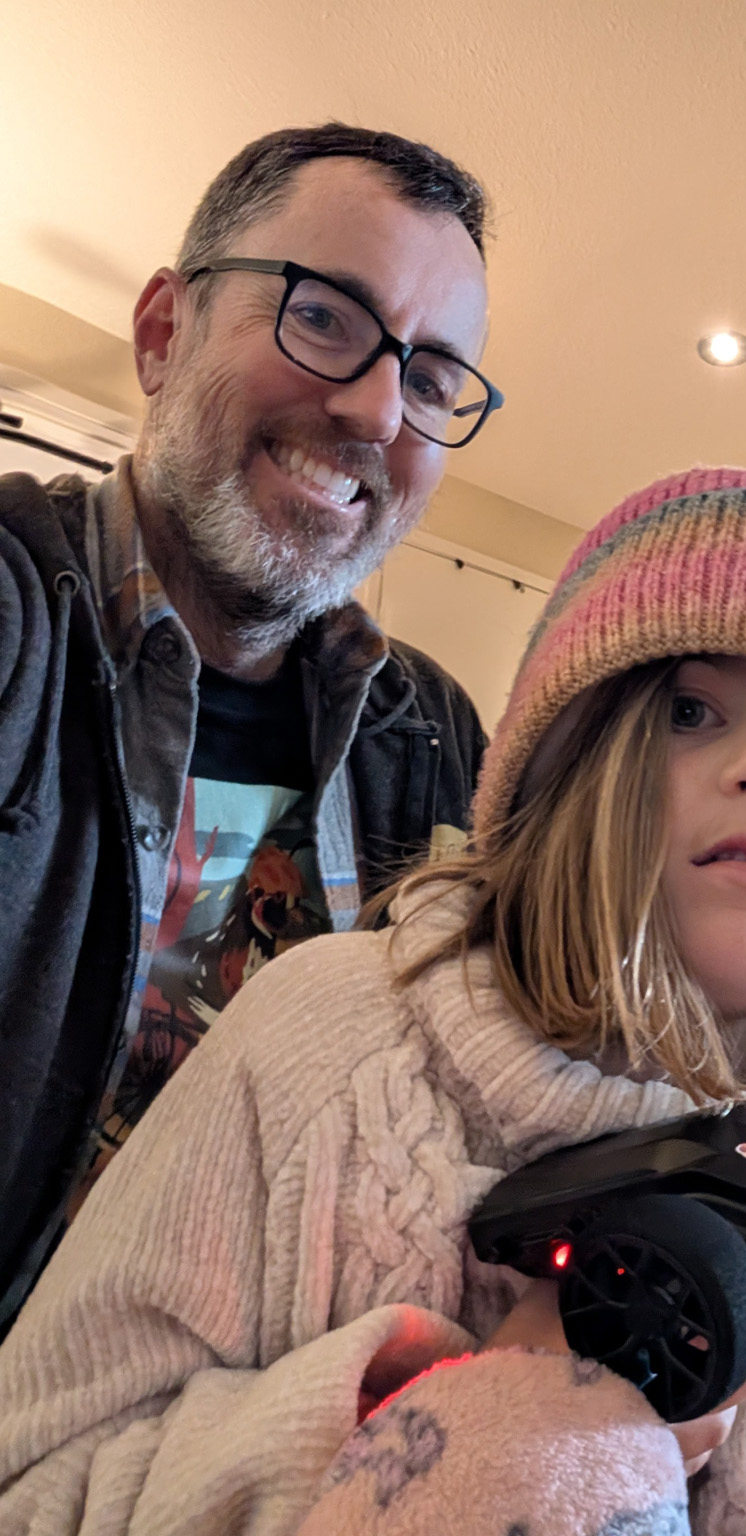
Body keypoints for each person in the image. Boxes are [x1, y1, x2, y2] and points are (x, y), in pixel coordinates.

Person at [0, 468, 746, 1535]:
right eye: (691, 711)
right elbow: (39, 1480)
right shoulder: (329, 1035)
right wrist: (481, 1419)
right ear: (574, 761)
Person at [0, 123, 504, 1325]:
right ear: (162, 334)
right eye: (322, 316)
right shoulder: (18, 608)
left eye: (431, 378)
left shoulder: (431, 731)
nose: (376, 410)